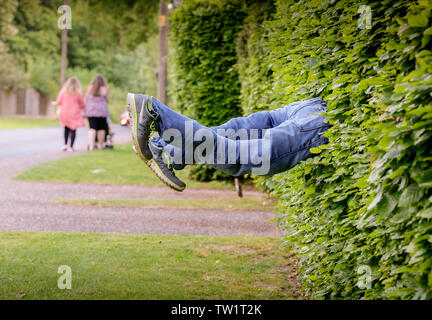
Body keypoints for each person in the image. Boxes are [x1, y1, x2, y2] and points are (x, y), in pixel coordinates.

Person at [127, 93, 331, 192]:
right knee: (241, 154)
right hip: (318, 121)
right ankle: (154, 112)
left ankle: (168, 153)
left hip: (305, 107)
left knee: (230, 149)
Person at [52, 77, 85, 152]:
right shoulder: (78, 93)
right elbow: (82, 105)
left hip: (64, 113)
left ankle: (65, 145)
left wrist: (54, 103)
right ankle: (71, 146)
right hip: (74, 113)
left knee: (66, 128)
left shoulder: (63, 92)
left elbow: (59, 102)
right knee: (73, 130)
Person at [85, 74, 110, 150]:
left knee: (92, 127)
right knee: (101, 128)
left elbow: (86, 98)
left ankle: (91, 146)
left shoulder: (90, 87)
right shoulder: (105, 88)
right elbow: (107, 100)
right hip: (102, 111)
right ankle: (100, 145)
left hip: (91, 110)